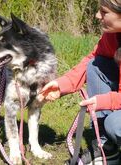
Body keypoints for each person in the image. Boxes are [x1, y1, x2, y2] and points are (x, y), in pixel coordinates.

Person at [38, 0, 121, 164]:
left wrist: (104, 101)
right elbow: (92, 58)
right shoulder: (113, 35)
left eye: (104, 12)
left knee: (115, 124)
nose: (97, 16)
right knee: (95, 64)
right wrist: (61, 84)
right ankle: (106, 148)